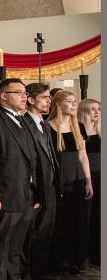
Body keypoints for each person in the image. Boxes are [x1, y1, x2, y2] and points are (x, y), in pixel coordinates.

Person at [0, 79, 39, 280]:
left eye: (25, 93)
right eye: (19, 92)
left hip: (26, 195)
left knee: (16, 247)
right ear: (3, 96)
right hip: (6, 196)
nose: (25, 96)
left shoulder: (23, 119)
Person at [48, 90, 93, 273]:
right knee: (61, 220)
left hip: (77, 177)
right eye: (69, 101)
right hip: (59, 177)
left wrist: (88, 180)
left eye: (75, 102)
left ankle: (76, 259)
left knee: (78, 219)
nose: (74, 105)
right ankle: (60, 260)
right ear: (59, 104)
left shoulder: (79, 126)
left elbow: (83, 156)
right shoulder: (48, 126)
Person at [22, 83, 58, 277]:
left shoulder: (43, 122)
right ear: (31, 99)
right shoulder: (24, 123)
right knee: (33, 234)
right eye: (44, 97)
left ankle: (41, 272)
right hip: (35, 188)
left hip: (50, 185)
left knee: (46, 233)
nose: (49, 101)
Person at [78, 98, 101, 266]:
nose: (96, 112)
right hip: (88, 177)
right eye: (92, 109)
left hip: (101, 176)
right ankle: (84, 254)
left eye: (99, 109)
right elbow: (82, 157)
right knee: (87, 215)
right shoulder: (79, 130)